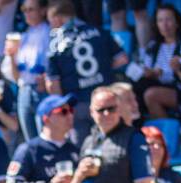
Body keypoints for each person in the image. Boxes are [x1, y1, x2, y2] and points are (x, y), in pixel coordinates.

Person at [44, 0, 127, 142]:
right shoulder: (99, 31)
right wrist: (104, 69)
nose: (51, 27)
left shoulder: (55, 46)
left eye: (50, 22)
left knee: (83, 152)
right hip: (105, 101)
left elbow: (53, 85)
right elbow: (122, 59)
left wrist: (62, 109)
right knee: (114, 144)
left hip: (77, 105)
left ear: (57, 19)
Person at [135, 3, 181, 121]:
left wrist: (160, 73)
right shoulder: (153, 46)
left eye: (168, 20)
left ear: (177, 22)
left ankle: (166, 133)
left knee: (150, 94)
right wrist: (147, 72)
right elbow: (146, 67)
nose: (164, 25)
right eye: (160, 20)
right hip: (154, 84)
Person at [13, 0, 51, 142]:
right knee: (30, 140)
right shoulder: (23, 35)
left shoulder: (49, 32)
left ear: (42, 10)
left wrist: (47, 79)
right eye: (25, 10)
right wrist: (11, 56)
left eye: (31, 9)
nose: (27, 14)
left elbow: (54, 61)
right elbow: (16, 75)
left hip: (41, 90)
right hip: (24, 90)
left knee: (45, 135)